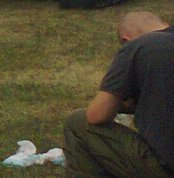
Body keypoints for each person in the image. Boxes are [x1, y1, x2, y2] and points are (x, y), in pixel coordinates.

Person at [62, 11, 174, 177]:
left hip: (165, 168)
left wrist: (123, 104)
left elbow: (97, 116)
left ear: (125, 40)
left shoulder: (138, 46)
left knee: (78, 122)